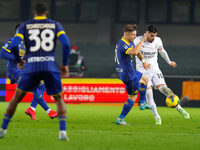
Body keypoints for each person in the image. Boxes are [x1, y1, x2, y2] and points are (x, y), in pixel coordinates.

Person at [0, 2, 70, 141]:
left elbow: (14, 44)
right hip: (49, 65)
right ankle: (62, 132)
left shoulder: (24, 26)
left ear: (34, 13)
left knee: (17, 97)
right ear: (47, 13)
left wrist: (20, 60)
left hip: (31, 66)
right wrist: (65, 65)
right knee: (59, 98)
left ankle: (3, 129)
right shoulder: (55, 24)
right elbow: (66, 44)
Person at [134, 24, 190, 125]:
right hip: (142, 71)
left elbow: (162, 51)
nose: (153, 38)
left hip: (155, 70)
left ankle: (180, 109)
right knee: (149, 94)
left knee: (164, 89)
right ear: (146, 33)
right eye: (151, 36)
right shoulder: (138, 40)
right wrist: (143, 61)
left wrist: (169, 62)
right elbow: (135, 52)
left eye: (155, 35)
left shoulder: (157, 40)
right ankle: (157, 117)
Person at [0, 24, 58, 120]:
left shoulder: (23, 43)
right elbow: (2, 54)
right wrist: (18, 60)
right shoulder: (12, 41)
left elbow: (23, 59)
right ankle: (49, 111)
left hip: (22, 71)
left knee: (42, 85)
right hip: (14, 72)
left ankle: (31, 109)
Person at [114, 24, 150, 125]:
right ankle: (120, 119)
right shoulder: (123, 45)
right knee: (132, 98)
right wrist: (142, 40)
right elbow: (134, 52)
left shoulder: (128, 41)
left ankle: (142, 103)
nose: (135, 37)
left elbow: (137, 52)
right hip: (128, 75)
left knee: (145, 80)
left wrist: (143, 61)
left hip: (131, 71)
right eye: (133, 35)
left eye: (135, 34)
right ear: (126, 34)